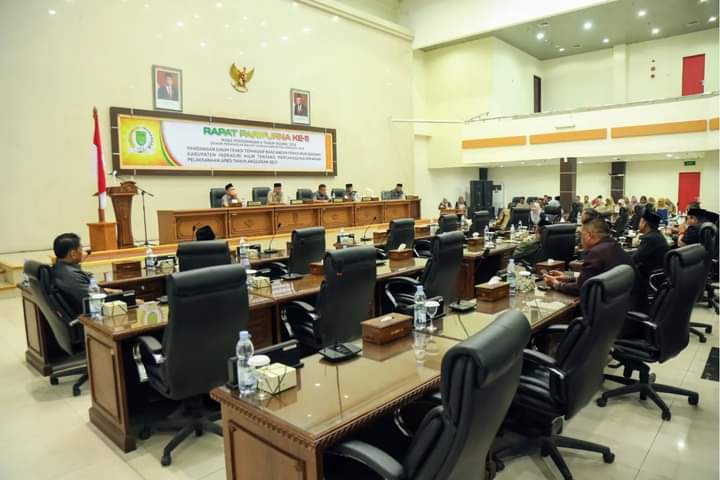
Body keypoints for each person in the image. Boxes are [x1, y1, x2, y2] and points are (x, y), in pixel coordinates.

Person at [545, 218, 637, 298]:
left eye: (581, 235)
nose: (580, 241)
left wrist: (556, 284)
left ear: (589, 235)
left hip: (613, 308)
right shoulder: (613, 245)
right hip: (627, 303)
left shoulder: (596, 253)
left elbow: (580, 289)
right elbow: (592, 278)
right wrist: (568, 278)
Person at [52, 233, 121, 317]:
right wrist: (122, 297)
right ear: (73, 254)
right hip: (93, 316)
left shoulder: (59, 268)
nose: (83, 252)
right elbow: (96, 300)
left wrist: (107, 290)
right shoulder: (72, 276)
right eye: (81, 249)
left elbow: (86, 290)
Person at [632, 210, 670, 305]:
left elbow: (635, 259)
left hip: (650, 276)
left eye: (640, 221)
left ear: (645, 223)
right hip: (659, 274)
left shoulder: (650, 239)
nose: (639, 223)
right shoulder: (656, 235)